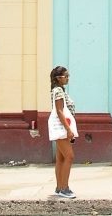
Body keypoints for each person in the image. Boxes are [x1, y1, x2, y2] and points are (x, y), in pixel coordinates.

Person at [47, 66, 77, 199]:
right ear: (59, 78)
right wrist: (68, 129)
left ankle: (59, 187)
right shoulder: (58, 91)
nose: (68, 78)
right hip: (61, 127)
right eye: (66, 76)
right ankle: (64, 188)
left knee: (61, 158)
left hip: (60, 127)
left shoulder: (57, 90)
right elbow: (59, 111)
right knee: (69, 156)